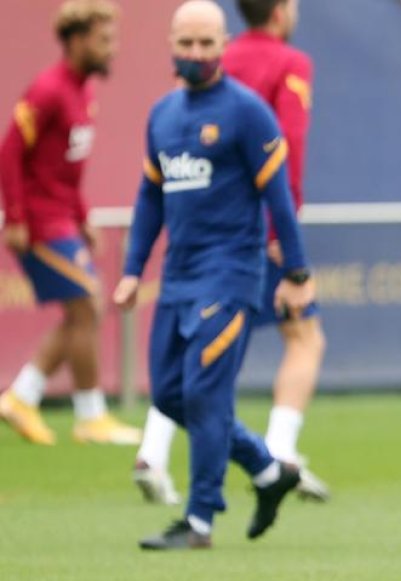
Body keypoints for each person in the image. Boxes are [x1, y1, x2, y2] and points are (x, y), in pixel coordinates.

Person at [114, 0, 314, 550]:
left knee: (203, 395)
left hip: (231, 275)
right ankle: (269, 472)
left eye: (207, 44)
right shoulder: (163, 115)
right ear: (172, 46)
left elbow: (278, 195)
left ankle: (199, 520)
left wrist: (296, 270)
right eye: (187, 44)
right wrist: (133, 269)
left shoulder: (247, 112)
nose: (197, 54)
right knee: (170, 397)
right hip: (177, 278)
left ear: (224, 45)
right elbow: (150, 196)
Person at [0, 0, 141, 447]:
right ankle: (89, 415)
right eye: (104, 40)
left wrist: (83, 217)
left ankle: (22, 397)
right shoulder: (48, 90)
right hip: (38, 223)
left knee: (84, 308)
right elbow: (8, 151)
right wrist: (16, 218)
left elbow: (64, 167)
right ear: (78, 41)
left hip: (62, 219)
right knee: (88, 302)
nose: (112, 49)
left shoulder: (83, 92)